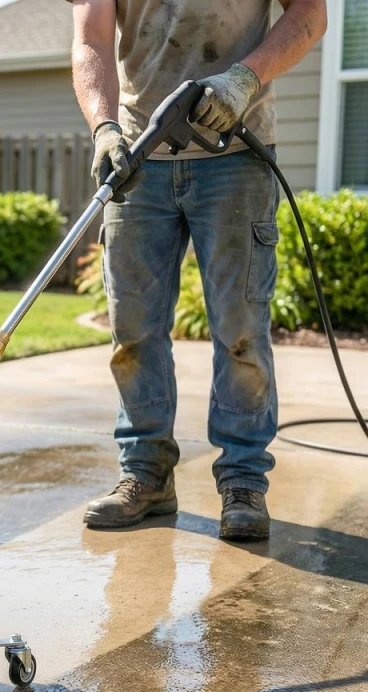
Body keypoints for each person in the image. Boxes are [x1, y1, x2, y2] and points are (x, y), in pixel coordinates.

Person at [69, 0, 327, 539]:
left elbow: (310, 15)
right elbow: (91, 38)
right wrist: (104, 128)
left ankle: (243, 483)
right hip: (138, 154)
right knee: (133, 331)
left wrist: (243, 79)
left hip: (235, 149)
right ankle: (146, 475)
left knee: (240, 330)